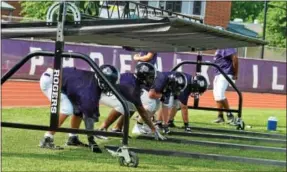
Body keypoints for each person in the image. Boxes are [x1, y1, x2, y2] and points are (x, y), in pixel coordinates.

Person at [38, 65, 120, 152]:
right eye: (110, 83)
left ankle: (73, 138)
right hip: (51, 81)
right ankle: (47, 138)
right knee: (67, 108)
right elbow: (88, 117)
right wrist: (91, 140)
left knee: (79, 108)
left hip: (62, 79)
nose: (111, 86)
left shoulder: (94, 81)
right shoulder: (89, 92)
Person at [99, 62, 166, 140]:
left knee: (130, 105)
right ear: (143, 76)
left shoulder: (133, 79)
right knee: (123, 105)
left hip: (107, 92)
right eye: (150, 77)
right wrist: (154, 130)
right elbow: (143, 113)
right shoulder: (133, 88)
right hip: (102, 93)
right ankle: (102, 129)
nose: (151, 80)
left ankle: (117, 129)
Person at [212, 48, 238, 124]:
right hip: (218, 73)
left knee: (220, 95)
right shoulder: (219, 47)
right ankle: (220, 117)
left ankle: (230, 116)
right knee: (216, 96)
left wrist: (235, 74)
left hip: (225, 73)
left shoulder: (227, 46)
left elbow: (235, 58)